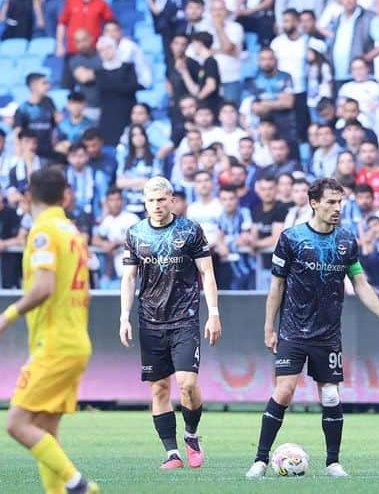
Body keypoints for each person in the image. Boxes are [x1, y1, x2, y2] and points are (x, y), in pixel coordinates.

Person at [247, 178, 379, 479]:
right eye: (331, 202)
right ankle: (261, 460)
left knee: (330, 396)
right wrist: (269, 326)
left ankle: (333, 463)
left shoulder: (346, 241)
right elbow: (276, 285)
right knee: (285, 391)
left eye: (340, 202)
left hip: (328, 334)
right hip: (292, 329)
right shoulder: (291, 239)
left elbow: (360, 283)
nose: (337, 208)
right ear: (314, 203)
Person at [0, 168, 100, 494]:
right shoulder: (72, 231)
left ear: (29, 196)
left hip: (54, 343)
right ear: (65, 196)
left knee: (16, 424)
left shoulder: (43, 231)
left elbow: (44, 286)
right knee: (45, 430)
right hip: (75, 341)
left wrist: (8, 315)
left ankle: (80, 486)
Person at [119, 176, 221, 470]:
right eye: (151, 201)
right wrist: (124, 316)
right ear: (145, 203)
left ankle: (191, 436)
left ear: (172, 200)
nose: (157, 205)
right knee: (159, 389)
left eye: (161, 200)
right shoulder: (135, 233)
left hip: (185, 318)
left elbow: (207, 274)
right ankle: (172, 453)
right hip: (150, 320)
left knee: (187, 384)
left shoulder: (190, 231)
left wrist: (213, 312)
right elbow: (129, 277)